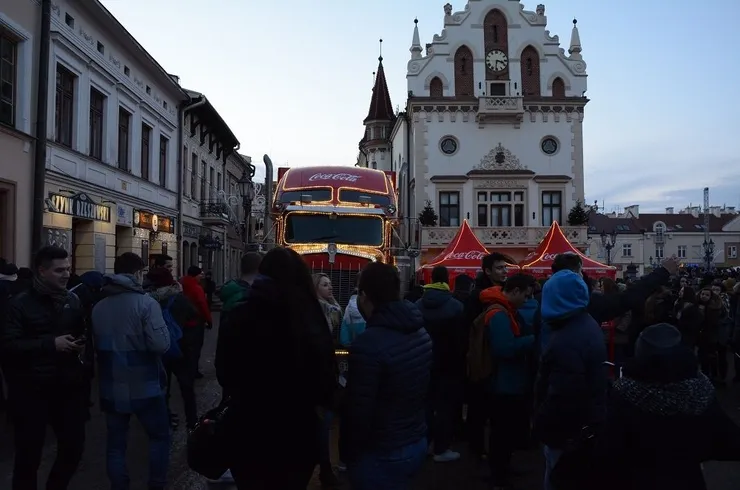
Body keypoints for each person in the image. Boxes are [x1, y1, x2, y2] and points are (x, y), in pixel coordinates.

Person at [222, 247, 336, 489]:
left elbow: (225, 372)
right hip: (297, 434)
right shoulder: (311, 318)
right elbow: (326, 381)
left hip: (249, 430)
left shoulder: (240, 314)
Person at [594, 324, 740, 490]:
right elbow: (728, 441)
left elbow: (608, 454)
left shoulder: (626, 394)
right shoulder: (699, 393)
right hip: (686, 481)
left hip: (637, 481)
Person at [0, 246, 87, 490]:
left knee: (74, 447)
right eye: (59, 270)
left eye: (68, 268)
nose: (66, 274)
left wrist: (79, 344)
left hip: (67, 386)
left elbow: (80, 331)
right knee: (28, 457)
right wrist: (51, 344)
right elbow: (8, 346)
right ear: (42, 271)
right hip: (31, 390)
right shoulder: (20, 303)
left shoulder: (72, 299)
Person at [345, 262, 432, 490]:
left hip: (382, 450)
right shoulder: (420, 331)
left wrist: (348, 452)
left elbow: (359, 410)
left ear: (364, 296)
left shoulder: (369, 343)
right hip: (414, 439)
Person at [92, 252, 171, 490]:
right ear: (138, 273)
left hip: (111, 384)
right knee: (159, 437)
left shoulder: (99, 306)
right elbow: (161, 345)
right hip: (144, 383)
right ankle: (156, 485)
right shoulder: (146, 303)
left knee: (116, 443)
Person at [534, 266, 607, 490]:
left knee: (559, 477)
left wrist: (542, 422)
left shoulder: (566, 340)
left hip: (566, 432)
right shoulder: (583, 323)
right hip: (581, 425)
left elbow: (564, 396)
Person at [479, 273, 537, 488]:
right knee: (501, 432)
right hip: (503, 382)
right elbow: (504, 348)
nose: (527, 300)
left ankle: (503, 468)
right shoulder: (499, 314)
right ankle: (498, 475)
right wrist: (533, 339)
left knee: (505, 431)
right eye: (526, 295)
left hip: (507, 381)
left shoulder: (505, 310)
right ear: (514, 291)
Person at [211, 252, 262, 486]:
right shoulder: (250, 298)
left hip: (230, 368)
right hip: (247, 370)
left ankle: (226, 462)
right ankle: (230, 463)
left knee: (230, 413)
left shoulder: (230, 293)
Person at [415, 265, 465, 463]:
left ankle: (424, 444)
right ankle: (441, 448)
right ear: (447, 280)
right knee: (444, 407)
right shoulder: (456, 306)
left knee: (425, 405)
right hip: (448, 364)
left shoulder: (418, 304)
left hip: (423, 361)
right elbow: (460, 341)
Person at [463, 253, 510, 460]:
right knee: (479, 407)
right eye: (500, 268)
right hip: (482, 357)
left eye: (505, 268)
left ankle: (492, 450)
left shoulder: (501, 292)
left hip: (496, 357)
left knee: (495, 409)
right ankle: (477, 449)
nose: (505, 271)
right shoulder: (479, 295)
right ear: (488, 271)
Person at [147, 267, 199, 430]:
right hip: (180, 346)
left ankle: (165, 417)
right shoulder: (178, 298)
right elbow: (193, 314)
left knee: (162, 386)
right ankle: (192, 422)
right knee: (186, 387)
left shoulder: (148, 300)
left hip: (158, 347)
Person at [181, 266, 212, 379]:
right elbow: (202, 305)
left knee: (184, 347)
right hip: (195, 322)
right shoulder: (196, 288)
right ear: (196, 275)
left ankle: (185, 369)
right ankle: (193, 370)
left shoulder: (181, 284)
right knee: (195, 348)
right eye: (200, 275)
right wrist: (209, 320)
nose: (201, 277)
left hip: (182, 321)